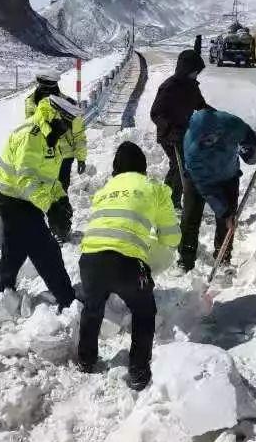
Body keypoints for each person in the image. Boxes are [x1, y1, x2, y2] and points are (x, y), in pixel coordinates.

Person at [77, 142, 180, 391]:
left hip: (89, 260)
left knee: (92, 308)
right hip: (127, 264)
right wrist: (151, 246)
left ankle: (86, 360)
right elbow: (171, 238)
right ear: (143, 166)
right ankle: (138, 371)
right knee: (144, 311)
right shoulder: (154, 188)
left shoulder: (104, 190)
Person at [0, 96, 79, 309]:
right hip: (15, 200)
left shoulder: (50, 134)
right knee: (45, 249)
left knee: (15, 246)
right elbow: (26, 178)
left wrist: (61, 197)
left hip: (26, 199)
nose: (68, 128)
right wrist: (49, 207)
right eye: (66, 122)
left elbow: (49, 176)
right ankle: (67, 299)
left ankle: (4, 289)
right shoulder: (31, 135)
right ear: (55, 116)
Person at [179, 105, 256, 272]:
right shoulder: (192, 151)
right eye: (205, 140)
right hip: (199, 181)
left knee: (228, 222)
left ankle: (223, 258)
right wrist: (223, 212)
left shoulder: (229, 123)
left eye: (211, 137)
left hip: (228, 176)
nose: (209, 141)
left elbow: (245, 133)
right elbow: (207, 188)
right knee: (190, 218)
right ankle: (185, 260)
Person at [150, 49, 207, 209]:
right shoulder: (169, 87)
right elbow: (155, 113)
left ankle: (166, 199)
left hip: (183, 133)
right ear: (186, 69)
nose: (197, 75)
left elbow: (200, 104)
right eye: (195, 72)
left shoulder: (192, 86)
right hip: (168, 134)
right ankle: (171, 202)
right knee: (180, 165)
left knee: (180, 165)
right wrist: (170, 129)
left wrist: (213, 114)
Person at [25, 72, 87, 193]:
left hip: (64, 156)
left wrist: (81, 158)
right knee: (43, 192)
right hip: (42, 155)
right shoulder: (30, 104)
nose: (45, 93)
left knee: (61, 191)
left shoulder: (69, 105)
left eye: (48, 89)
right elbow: (30, 130)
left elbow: (79, 134)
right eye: (42, 88)